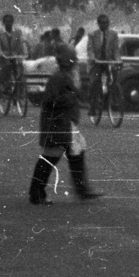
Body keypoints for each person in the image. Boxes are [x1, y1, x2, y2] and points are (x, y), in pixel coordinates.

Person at [28, 45, 100, 204]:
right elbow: (49, 101)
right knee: (51, 157)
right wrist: (71, 97)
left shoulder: (65, 76)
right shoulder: (60, 77)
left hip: (63, 122)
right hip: (59, 123)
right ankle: (36, 192)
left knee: (75, 150)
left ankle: (81, 190)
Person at [86, 14, 121, 109]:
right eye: (103, 23)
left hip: (108, 62)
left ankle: (113, 99)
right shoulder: (93, 34)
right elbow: (90, 49)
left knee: (114, 78)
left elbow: (116, 50)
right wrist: (93, 58)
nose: (105, 25)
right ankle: (92, 106)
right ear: (98, 24)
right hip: (97, 62)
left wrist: (118, 60)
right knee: (94, 82)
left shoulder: (113, 34)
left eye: (107, 23)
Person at [0, 14, 28, 97]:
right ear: (4, 22)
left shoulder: (18, 32)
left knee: (20, 71)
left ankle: (19, 92)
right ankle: (3, 91)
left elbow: (22, 42)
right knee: (5, 71)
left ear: (13, 22)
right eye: (6, 22)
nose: (8, 23)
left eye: (10, 22)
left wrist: (25, 52)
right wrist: (0, 53)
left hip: (15, 55)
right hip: (4, 56)